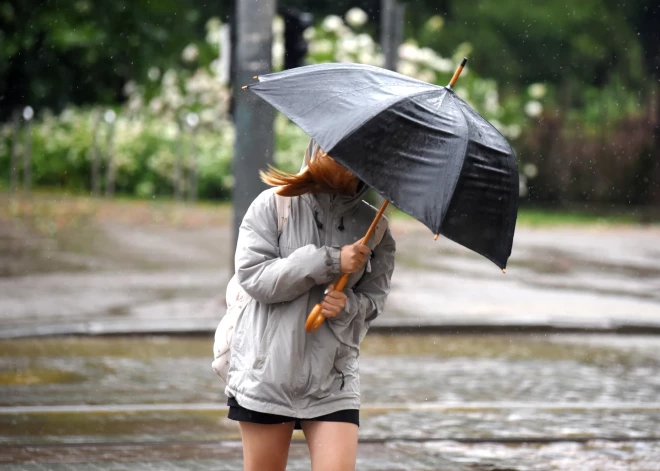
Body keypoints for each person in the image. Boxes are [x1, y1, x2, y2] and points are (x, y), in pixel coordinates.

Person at [225, 139, 396, 471]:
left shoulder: (376, 231)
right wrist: (332, 260)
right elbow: (254, 277)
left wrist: (346, 307)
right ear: (316, 150)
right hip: (268, 373)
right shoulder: (273, 205)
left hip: (334, 379)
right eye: (333, 152)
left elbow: (373, 303)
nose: (343, 163)